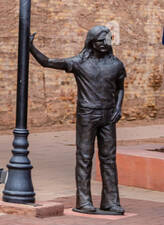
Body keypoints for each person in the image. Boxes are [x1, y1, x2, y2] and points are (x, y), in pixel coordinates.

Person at [29, 25, 126, 214]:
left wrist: (118, 107)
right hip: (87, 115)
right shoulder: (80, 63)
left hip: (108, 115)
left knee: (109, 159)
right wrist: (31, 47)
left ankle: (111, 201)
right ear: (91, 43)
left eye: (107, 41)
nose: (105, 45)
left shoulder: (116, 64)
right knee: (84, 158)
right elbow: (47, 62)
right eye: (100, 41)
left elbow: (120, 87)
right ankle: (83, 201)